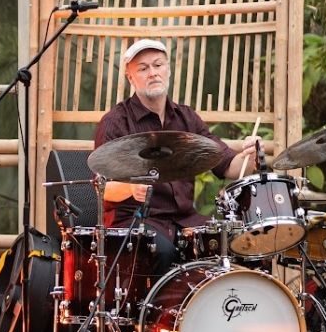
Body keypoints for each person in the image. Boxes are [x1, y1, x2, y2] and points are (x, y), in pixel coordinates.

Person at [94, 38, 258, 277]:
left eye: (158, 65)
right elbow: (102, 188)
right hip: (134, 222)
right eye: (143, 68)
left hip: (184, 220)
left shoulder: (186, 119)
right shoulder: (116, 122)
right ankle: (156, 315)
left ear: (168, 70)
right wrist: (131, 188)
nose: (153, 73)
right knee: (161, 251)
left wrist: (248, 156)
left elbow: (228, 166)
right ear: (131, 77)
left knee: (231, 244)